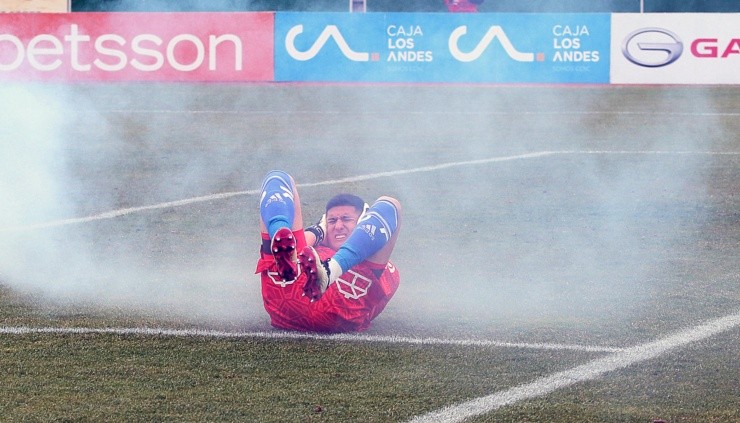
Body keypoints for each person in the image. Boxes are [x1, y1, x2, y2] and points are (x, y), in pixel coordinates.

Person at [255, 170, 401, 333]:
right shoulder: (314, 250)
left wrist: (318, 233)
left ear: (363, 222)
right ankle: (280, 229)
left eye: (346, 219)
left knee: (391, 203)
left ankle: (330, 270)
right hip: (294, 283)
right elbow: (293, 248)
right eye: (331, 221)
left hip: (324, 306)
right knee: (279, 177)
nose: (338, 226)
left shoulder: (375, 257)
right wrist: (318, 231)